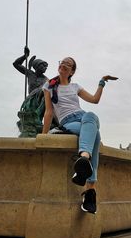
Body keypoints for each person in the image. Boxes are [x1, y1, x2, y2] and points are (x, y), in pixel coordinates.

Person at [42, 57, 118, 214]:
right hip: (68, 122)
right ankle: (90, 191)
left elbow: (95, 100)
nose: (63, 64)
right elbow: (49, 112)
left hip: (83, 118)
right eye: (62, 62)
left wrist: (102, 82)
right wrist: (44, 137)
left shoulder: (75, 86)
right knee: (95, 135)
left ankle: (83, 157)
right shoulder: (48, 86)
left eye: (68, 64)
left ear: (72, 71)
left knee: (91, 114)